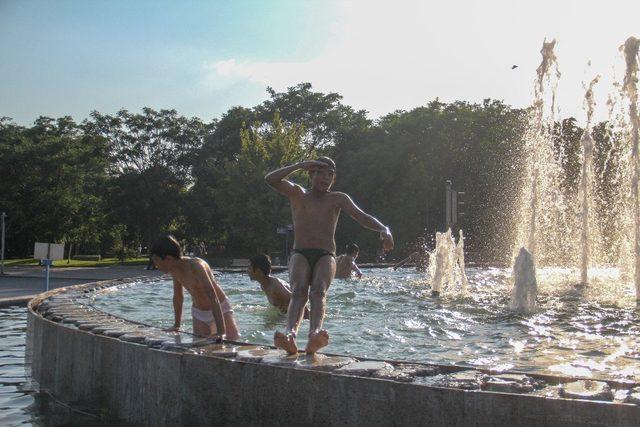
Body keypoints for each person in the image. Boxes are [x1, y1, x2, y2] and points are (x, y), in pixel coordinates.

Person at [265, 156, 394, 354]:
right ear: (311, 173)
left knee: (318, 291)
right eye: (320, 173)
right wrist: (299, 165)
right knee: (299, 291)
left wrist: (384, 228)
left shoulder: (337, 198)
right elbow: (270, 179)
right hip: (300, 252)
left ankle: (314, 334)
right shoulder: (298, 193)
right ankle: (290, 334)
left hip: (326, 255)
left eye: (330, 174)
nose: (326, 178)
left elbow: (361, 216)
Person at [150, 235, 241, 340]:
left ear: (168, 259)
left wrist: (221, 332)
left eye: (156, 261)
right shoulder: (174, 270)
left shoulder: (196, 265)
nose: (156, 265)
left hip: (220, 307)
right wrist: (176, 325)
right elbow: (178, 297)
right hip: (199, 313)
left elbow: (211, 294)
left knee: (233, 341)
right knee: (200, 347)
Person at [248, 254, 309, 318]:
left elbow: (298, 301)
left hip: (298, 317)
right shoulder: (265, 284)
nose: (247, 271)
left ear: (258, 271)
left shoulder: (275, 288)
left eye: (249, 268)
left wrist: (309, 320)